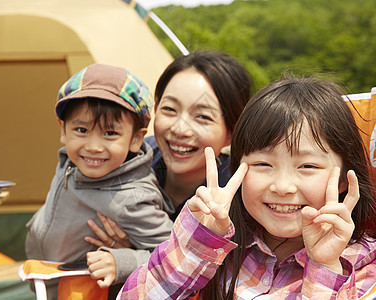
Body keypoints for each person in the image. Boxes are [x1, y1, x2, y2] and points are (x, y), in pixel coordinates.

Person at [117, 75, 376, 299]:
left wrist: (325, 266)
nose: (283, 186)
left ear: (344, 177)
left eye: (307, 166)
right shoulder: (219, 243)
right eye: (263, 164)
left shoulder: (363, 265)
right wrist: (196, 243)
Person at [85, 52, 252, 290]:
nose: (180, 129)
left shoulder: (240, 200)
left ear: (231, 131)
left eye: (202, 116)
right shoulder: (129, 158)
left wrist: (136, 252)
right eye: (170, 109)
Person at [24, 63, 173, 299]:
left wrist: (123, 260)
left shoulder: (131, 198)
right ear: (63, 130)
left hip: (85, 292)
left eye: (110, 133)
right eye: (81, 130)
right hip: (48, 281)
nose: (93, 147)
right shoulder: (71, 161)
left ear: (136, 139)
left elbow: (173, 254)